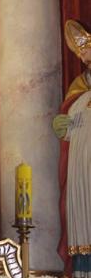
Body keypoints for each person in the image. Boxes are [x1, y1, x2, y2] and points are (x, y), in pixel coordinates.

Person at [53, 19, 91, 278]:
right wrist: (61, 126)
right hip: (80, 168)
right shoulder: (78, 88)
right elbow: (67, 125)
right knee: (82, 218)